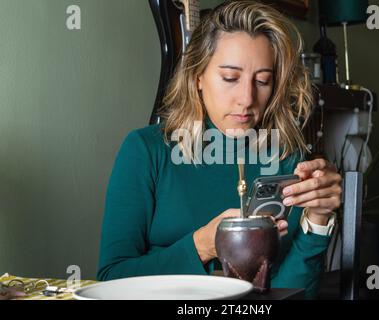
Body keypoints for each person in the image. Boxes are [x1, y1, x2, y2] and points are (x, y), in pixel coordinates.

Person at [97, 0, 342, 299]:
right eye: (230, 78)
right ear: (198, 76)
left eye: (262, 80)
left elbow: (290, 293)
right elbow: (112, 279)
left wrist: (317, 221)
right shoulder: (146, 151)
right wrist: (204, 244)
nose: (246, 98)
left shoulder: (287, 161)